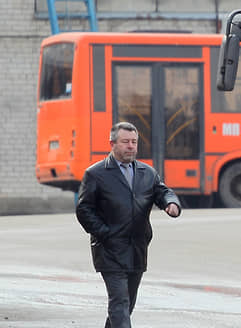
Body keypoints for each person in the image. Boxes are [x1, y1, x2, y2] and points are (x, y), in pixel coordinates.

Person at [76, 121, 182, 328]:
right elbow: (84, 209)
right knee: (120, 302)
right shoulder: (96, 174)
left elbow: (162, 192)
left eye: (134, 142)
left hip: (137, 248)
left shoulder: (147, 173)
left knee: (127, 305)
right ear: (112, 144)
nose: (131, 146)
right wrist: (105, 233)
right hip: (110, 250)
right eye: (125, 142)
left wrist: (171, 203)